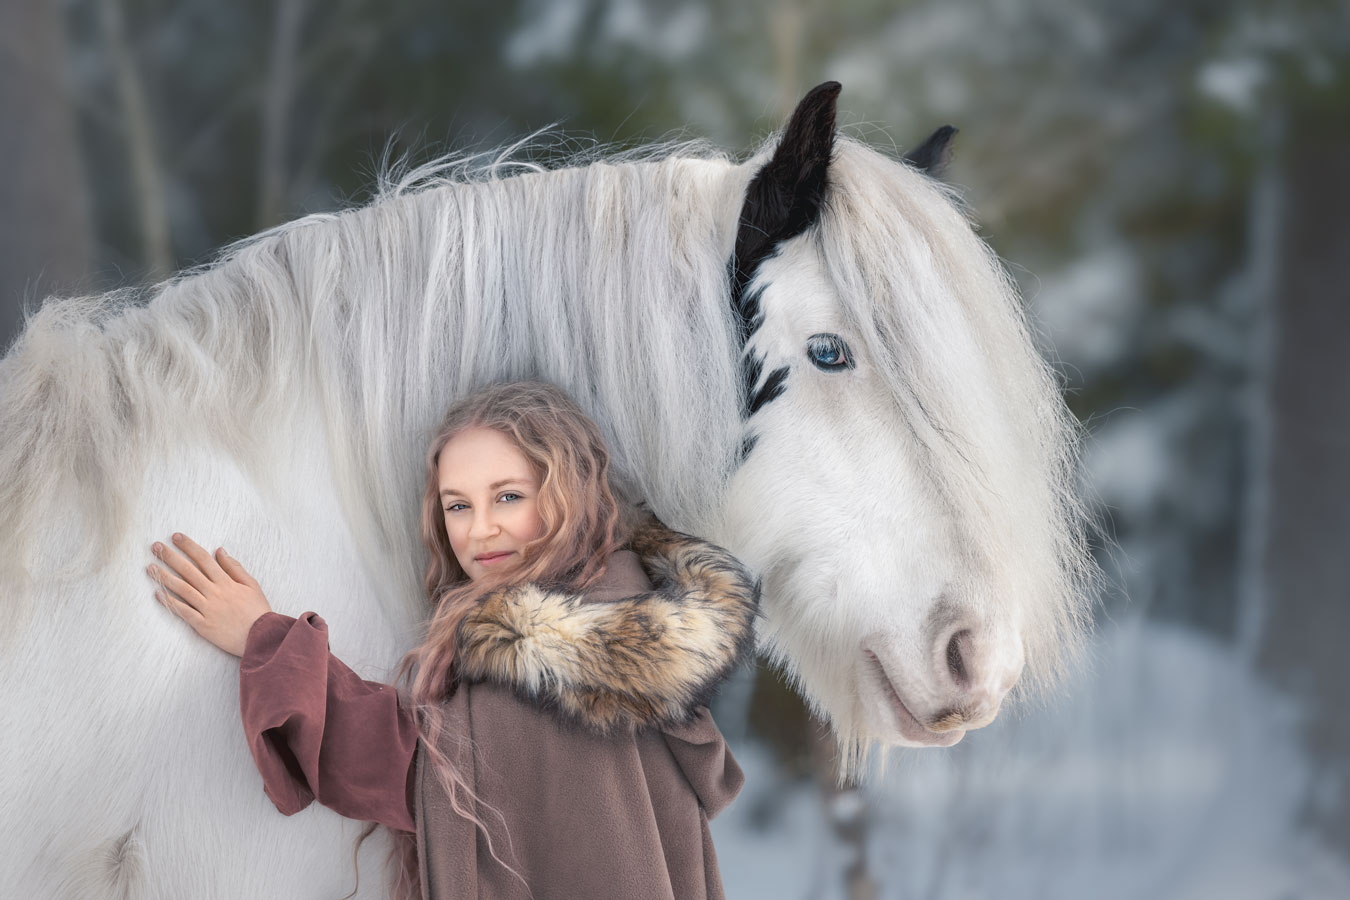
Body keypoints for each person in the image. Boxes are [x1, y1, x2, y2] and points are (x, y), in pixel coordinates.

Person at [145, 379, 760, 900]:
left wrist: (266, 639)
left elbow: (404, 769)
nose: (480, 530)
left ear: (567, 492)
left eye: (508, 497)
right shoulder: (631, 613)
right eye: (457, 505)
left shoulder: (547, 665)